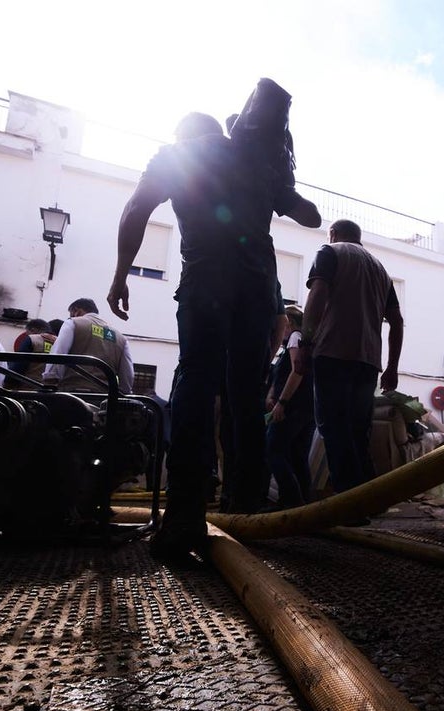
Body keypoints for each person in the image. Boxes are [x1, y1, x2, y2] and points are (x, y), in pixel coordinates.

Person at [108, 80, 321, 562]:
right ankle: (244, 510)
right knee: (246, 394)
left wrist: (121, 275)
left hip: (206, 281)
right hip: (257, 288)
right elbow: (309, 216)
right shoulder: (255, 159)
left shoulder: (176, 157)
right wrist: (281, 183)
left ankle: (184, 515)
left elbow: (135, 209)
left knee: (196, 382)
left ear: (183, 134)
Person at [294, 219, 403, 494]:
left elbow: (317, 294)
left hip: (332, 353)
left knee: (334, 429)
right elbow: (397, 321)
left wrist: (305, 342)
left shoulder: (330, 252)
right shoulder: (381, 270)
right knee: (358, 433)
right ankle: (364, 501)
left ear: (333, 233)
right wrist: (392, 367)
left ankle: (347, 506)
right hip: (368, 362)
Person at [265, 304, 316, 508]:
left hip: (293, 407)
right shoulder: (306, 342)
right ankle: (304, 503)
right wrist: (271, 394)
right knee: (298, 456)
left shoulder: (295, 337)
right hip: (307, 408)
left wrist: (282, 402)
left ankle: (291, 499)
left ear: (290, 322)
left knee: (273, 449)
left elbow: (297, 371)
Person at [43, 298, 134, 394]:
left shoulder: (73, 323)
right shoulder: (121, 338)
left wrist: (50, 381)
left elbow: (58, 353)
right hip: (104, 399)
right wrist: (124, 392)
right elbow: (128, 375)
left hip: (72, 393)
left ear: (76, 311)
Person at [7, 318, 56, 387]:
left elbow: (19, 365)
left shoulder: (31, 339)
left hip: (28, 386)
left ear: (33, 330)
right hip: (51, 388)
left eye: (27, 333)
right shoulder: (58, 342)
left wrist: (8, 381)